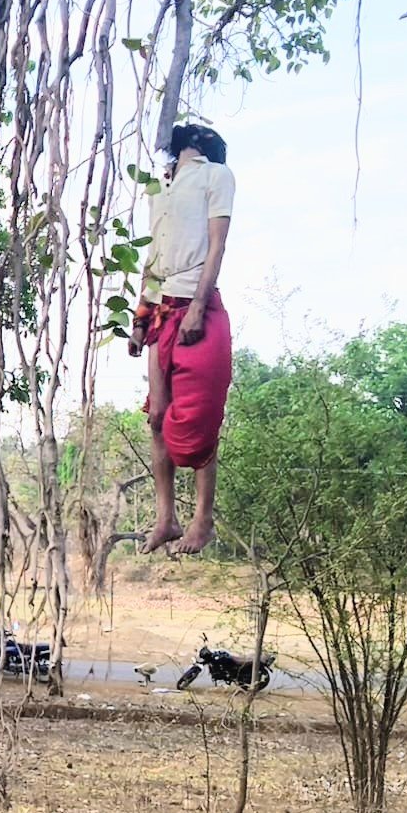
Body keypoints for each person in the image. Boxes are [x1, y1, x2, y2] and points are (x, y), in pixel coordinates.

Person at [129, 123, 235, 557]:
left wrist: (197, 305)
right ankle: (166, 517)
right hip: (161, 308)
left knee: (199, 420)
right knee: (157, 418)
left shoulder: (216, 175)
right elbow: (154, 255)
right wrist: (140, 315)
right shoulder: (160, 187)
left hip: (197, 304)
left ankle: (202, 519)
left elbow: (216, 247)